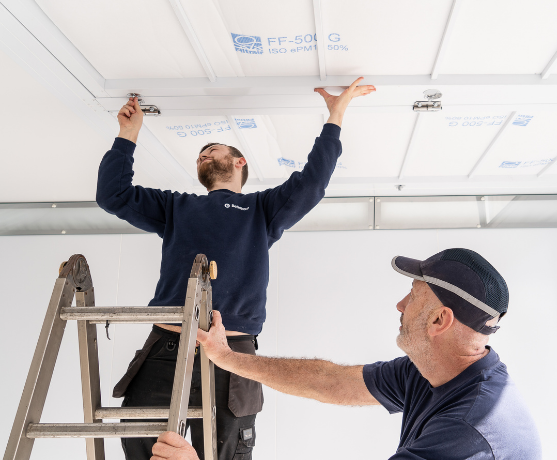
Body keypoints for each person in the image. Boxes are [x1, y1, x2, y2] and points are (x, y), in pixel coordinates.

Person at [96, 77, 376, 460]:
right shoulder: (176, 207)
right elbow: (113, 195)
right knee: (145, 446)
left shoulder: (262, 209)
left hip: (232, 352)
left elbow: (311, 184)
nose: (203, 155)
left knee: (227, 452)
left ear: (239, 162)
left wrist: (335, 115)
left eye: (212, 150)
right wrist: (128, 135)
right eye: (199, 155)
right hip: (167, 347)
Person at [161, 248, 542, 460]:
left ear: (440, 320)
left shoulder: (469, 431)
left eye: (414, 295)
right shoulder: (430, 374)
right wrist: (227, 358)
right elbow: (332, 381)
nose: (400, 304)